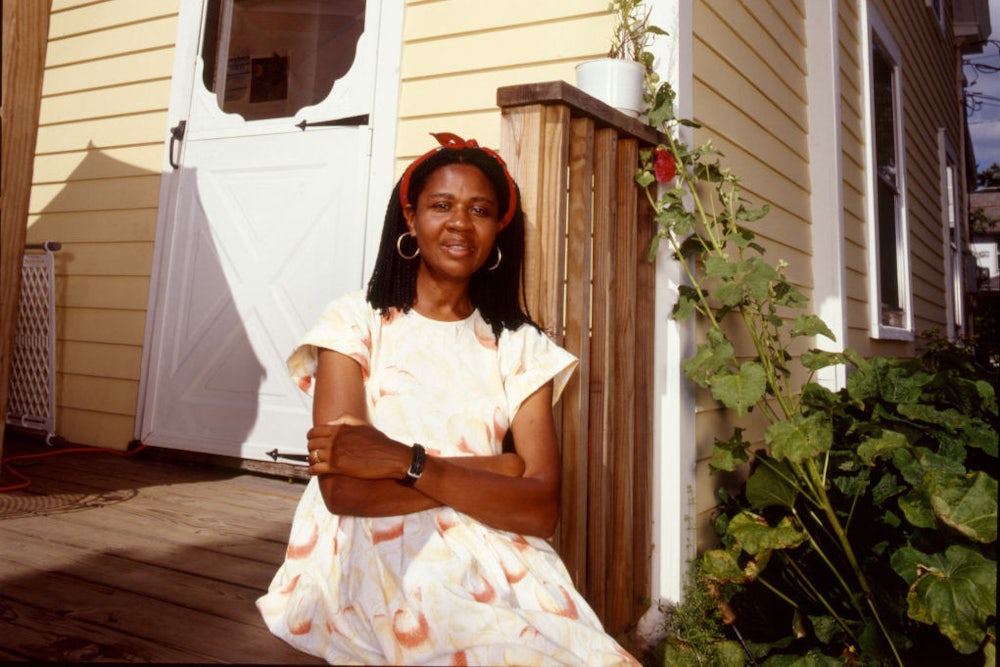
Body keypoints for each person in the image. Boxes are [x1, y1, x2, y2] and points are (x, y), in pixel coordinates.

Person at [257, 132, 639, 666]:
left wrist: (402, 462)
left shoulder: (520, 346)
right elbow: (344, 490)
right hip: (370, 544)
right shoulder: (354, 323)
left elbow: (541, 508)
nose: (461, 222)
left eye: (480, 209)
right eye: (442, 205)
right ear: (410, 219)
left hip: (494, 544)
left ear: (498, 230)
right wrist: (498, 470)